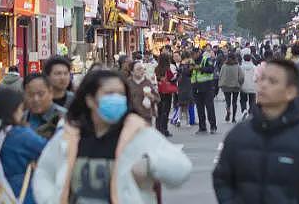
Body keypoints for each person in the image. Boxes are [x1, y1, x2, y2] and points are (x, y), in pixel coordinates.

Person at [32, 69, 193, 203]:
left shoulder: (138, 133)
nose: (116, 98)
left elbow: (181, 169)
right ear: (90, 100)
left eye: (121, 94)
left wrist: (151, 164)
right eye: (109, 93)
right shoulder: (71, 135)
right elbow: (44, 173)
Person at [212, 59, 299, 203]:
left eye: (272, 81)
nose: (264, 85)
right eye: (262, 79)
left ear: (290, 92)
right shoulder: (239, 135)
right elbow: (222, 178)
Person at [0, 87, 47, 204]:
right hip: (23, 196)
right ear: (13, 110)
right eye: (21, 109)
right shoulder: (20, 134)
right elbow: (48, 151)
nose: (22, 113)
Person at [23, 73, 66, 140]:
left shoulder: (65, 118)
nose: (35, 99)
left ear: (51, 92)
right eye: (30, 94)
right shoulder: (21, 119)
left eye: (41, 94)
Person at [192, 47, 219, 134]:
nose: (193, 56)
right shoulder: (192, 61)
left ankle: (213, 126)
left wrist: (199, 68)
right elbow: (189, 74)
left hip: (207, 87)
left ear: (198, 53)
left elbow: (211, 70)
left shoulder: (206, 59)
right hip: (196, 88)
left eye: (194, 54)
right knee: (200, 109)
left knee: (209, 108)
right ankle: (202, 127)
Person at [154, 53, 178, 136]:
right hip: (167, 92)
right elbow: (172, 78)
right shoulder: (167, 69)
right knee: (166, 111)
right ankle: (164, 129)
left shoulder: (157, 68)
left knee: (159, 111)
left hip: (158, 91)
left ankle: (158, 128)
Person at [219, 52, 244, 123]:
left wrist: (221, 84)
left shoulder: (224, 66)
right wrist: (240, 83)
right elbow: (241, 77)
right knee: (234, 102)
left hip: (226, 86)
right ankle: (233, 118)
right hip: (235, 86)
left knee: (228, 101)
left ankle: (228, 111)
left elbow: (221, 75)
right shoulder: (237, 66)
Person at [174, 52, 196, 128]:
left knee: (181, 105)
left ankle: (179, 120)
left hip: (180, 86)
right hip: (187, 86)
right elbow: (190, 74)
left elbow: (177, 76)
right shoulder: (188, 66)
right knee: (186, 105)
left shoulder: (180, 66)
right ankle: (187, 122)